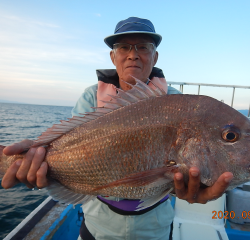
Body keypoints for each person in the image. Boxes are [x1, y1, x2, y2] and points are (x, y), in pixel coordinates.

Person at [2, 17, 234, 240]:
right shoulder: (91, 97)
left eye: (143, 47)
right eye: (124, 47)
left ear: (155, 56)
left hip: (155, 229)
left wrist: (189, 189)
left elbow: (173, 175)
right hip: (98, 227)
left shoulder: (177, 102)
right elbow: (66, 143)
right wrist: (33, 156)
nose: (133, 54)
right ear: (113, 57)